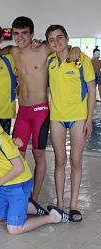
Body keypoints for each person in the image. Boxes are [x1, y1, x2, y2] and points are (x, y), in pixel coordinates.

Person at [0, 16, 80, 201]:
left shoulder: (43, 49)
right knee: (17, 154)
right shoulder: (14, 52)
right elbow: (5, 49)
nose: (20, 37)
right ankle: (20, 193)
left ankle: (34, 196)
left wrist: (76, 48)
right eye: (16, 33)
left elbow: (62, 46)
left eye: (24, 33)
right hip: (22, 112)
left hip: (40, 111)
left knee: (38, 154)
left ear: (32, 34)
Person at [0, 105, 69, 235]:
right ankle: (29, 208)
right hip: (4, 186)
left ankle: (53, 217)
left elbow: (19, 167)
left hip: (18, 184)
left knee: (14, 229)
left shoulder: (2, 140)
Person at [46, 25, 95, 222]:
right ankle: (60, 203)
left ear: (67, 38)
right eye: (51, 39)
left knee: (75, 160)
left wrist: (89, 119)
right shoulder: (49, 61)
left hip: (78, 117)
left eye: (59, 37)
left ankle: (74, 206)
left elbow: (92, 91)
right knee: (59, 161)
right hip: (57, 117)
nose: (56, 42)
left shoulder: (82, 60)